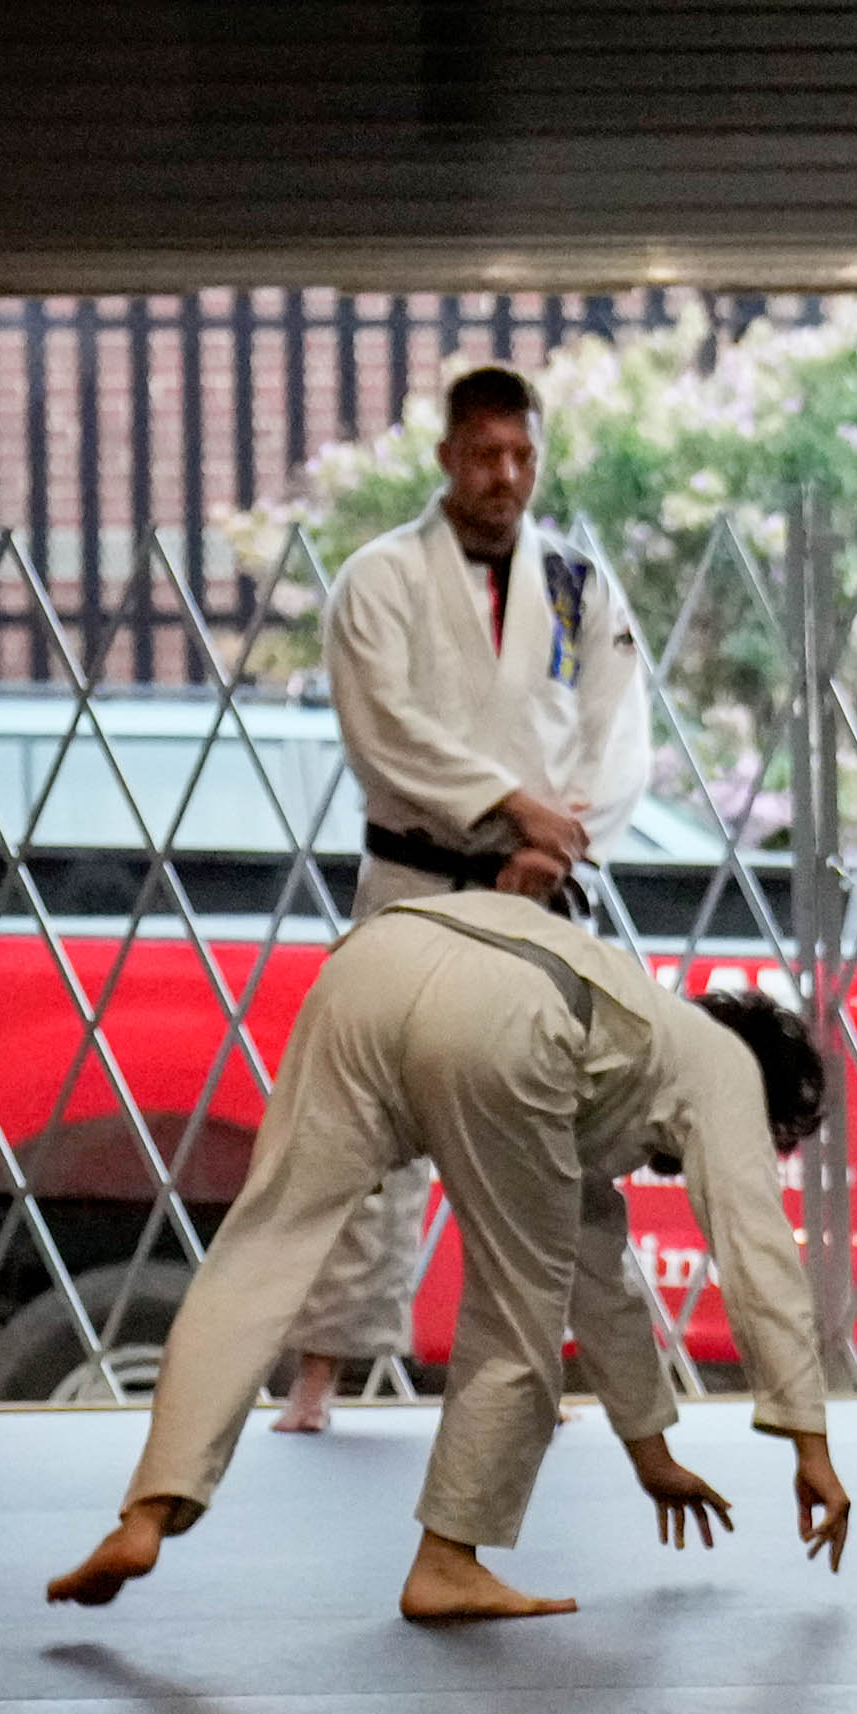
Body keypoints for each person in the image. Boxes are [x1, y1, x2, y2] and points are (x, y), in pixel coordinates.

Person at [41, 892, 848, 1622]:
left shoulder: (630, 1049)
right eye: (774, 1139)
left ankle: (146, 1511)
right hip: (506, 1010)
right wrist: (810, 1441)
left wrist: (652, 1454)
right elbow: (757, 1251)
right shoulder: (723, 1063)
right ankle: (446, 1561)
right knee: (518, 1301)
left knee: (263, 1246)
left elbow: (604, 1281)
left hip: (370, 962)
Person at [282, 363, 651, 1433]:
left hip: (542, 894)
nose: (506, 475)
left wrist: (559, 839)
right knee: (371, 1123)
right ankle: (318, 1375)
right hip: (415, 878)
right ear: (447, 457)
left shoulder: (577, 585)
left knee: (544, 1134)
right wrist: (506, 807)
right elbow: (384, 728)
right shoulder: (380, 579)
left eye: (523, 455)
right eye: (485, 454)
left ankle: (535, 1365)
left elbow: (614, 730)